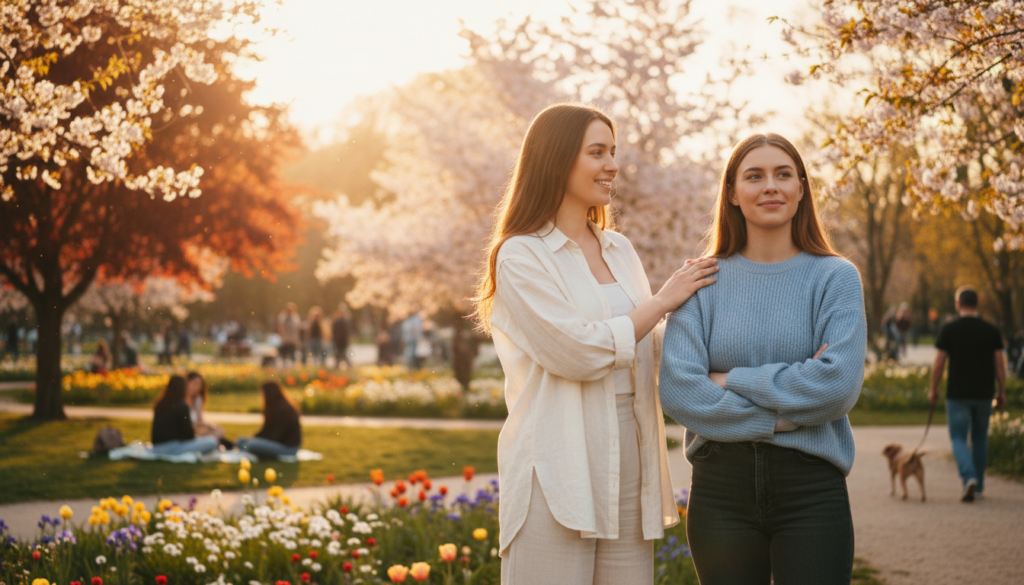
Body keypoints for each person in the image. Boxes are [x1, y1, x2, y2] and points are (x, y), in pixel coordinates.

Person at [477, 103, 718, 584]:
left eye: (614, 151)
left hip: (631, 455)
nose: (613, 165)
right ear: (556, 159)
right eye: (597, 152)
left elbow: (643, 343)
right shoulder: (521, 255)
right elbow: (578, 353)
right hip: (558, 460)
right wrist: (666, 298)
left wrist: (719, 361)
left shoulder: (619, 249)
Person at [659, 133, 866, 584]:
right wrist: (782, 419)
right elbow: (679, 391)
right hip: (721, 489)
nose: (770, 186)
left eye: (783, 175)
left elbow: (836, 387)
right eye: (754, 176)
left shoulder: (835, 278)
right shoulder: (701, 280)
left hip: (811, 488)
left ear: (800, 189)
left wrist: (727, 379)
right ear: (732, 193)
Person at [928, 286, 1006, 502]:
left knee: (958, 437)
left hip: (957, 393)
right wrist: (1001, 390)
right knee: (980, 438)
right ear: (977, 304)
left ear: (958, 304)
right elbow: (999, 363)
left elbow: (939, 363)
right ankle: (978, 485)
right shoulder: (991, 329)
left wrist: (933, 389)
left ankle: (969, 476)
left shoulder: (950, 329)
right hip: (984, 393)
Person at [151, 375, 219, 456]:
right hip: (174, 448)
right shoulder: (182, 407)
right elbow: (189, 436)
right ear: (182, 389)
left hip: (156, 448)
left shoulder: (160, 404)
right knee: (212, 442)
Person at [237, 381, 301, 459]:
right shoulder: (273, 408)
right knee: (241, 441)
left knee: (251, 444)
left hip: (288, 449)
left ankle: (247, 450)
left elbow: (277, 436)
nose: (261, 395)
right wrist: (253, 438)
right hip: (275, 443)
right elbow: (266, 430)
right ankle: (247, 449)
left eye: (262, 393)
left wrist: (256, 441)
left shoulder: (284, 410)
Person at [185, 371, 232, 448]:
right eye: (194, 383)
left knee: (219, 430)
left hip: (197, 432)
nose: (197, 387)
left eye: (199, 384)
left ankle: (222, 443)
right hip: (189, 434)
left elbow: (200, 421)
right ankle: (222, 443)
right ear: (187, 383)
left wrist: (211, 426)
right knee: (215, 434)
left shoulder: (197, 400)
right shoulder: (182, 402)